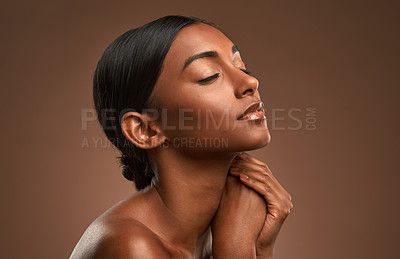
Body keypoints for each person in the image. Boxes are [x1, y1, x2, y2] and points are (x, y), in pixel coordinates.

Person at [71, 15, 293, 259]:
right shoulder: (129, 245)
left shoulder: (212, 239)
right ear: (144, 130)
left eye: (241, 66)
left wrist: (261, 247)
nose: (250, 81)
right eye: (209, 75)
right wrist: (236, 246)